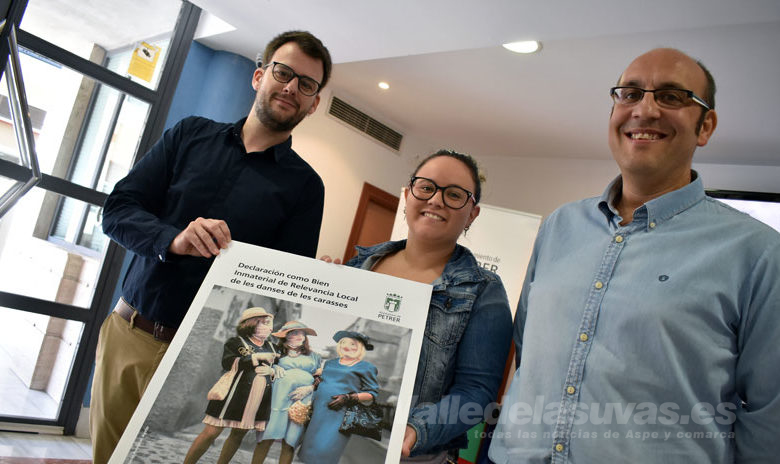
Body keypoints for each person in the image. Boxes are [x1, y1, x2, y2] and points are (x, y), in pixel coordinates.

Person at [489, 48, 780, 463]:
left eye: (672, 96)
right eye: (629, 94)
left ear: (706, 125)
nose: (645, 109)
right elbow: (528, 349)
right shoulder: (559, 226)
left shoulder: (757, 252)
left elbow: (771, 413)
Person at [90, 30, 332, 464]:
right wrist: (173, 239)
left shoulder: (306, 188)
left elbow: (282, 291)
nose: (292, 87)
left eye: (307, 84)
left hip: (204, 360)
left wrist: (318, 283)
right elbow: (118, 210)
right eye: (283, 72)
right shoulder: (189, 135)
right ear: (259, 76)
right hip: (131, 336)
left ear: (313, 104)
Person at [333, 150, 513, 461]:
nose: (436, 200)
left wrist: (417, 429)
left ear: (472, 214)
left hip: (411, 456)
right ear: (407, 195)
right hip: (331, 429)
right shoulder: (361, 264)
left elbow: (476, 391)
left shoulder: (484, 291)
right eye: (426, 187)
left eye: (454, 194)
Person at [183, 307, 278, 463]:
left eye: (269, 324)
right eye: (264, 323)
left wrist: (273, 371)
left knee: (238, 434)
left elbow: (279, 370)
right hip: (231, 394)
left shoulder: (272, 347)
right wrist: (255, 357)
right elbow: (227, 362)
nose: (269, 327)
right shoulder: (236, 342)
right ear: (252, 324)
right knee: (211, 432)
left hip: (256, 397)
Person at [297, 331, 380, 464]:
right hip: (318, 412)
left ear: (360, 348)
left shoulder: (367, 367)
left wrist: (348, 397)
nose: (346, 346)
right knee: (309, 449)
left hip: (341, 416)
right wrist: (318, 382)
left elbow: (372, 393)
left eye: (352, 343)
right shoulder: (330, 363)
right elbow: (326, 381)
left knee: (325, 451)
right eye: (343, 342)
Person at [253, 320, 321, 464]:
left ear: (304, 337)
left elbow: (319, 378)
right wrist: (274, 368)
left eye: (301, 333)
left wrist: (310, 388)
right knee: (266, 437)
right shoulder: (277, 352)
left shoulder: (314, 356)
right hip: (278, 398)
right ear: (286, 336)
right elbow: (263, 367)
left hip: (302, 400)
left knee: (290, 441)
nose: (297, 336)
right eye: (293, 333)